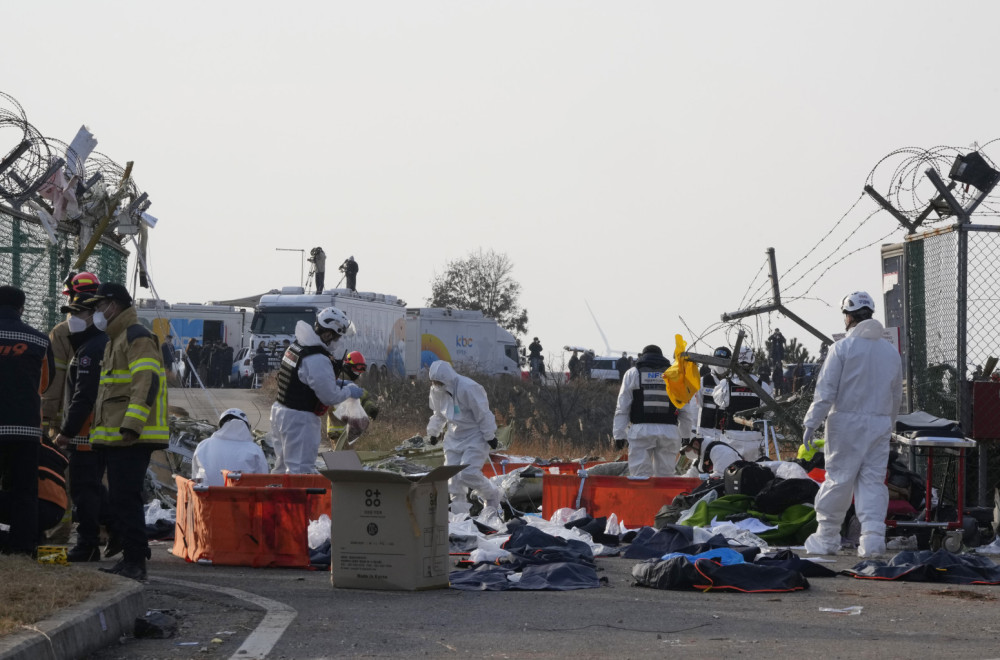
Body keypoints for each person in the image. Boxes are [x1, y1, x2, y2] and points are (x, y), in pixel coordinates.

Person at [802, 291, 902, 558]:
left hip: (845, 423)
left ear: (848, 316)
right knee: (872, 482)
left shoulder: (842, 349)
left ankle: (826, 538)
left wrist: (811, 422)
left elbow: (826, 392)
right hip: (879, 424)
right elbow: (895, 396)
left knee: (839, 479)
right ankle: (872, 540)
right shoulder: (890, 352)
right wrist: (888, 426)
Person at [84, 282, 169, 581]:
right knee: (121, 498)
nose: (96, 312)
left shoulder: (136, 336)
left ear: (115, 305)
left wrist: (132, 425)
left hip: (132, 437)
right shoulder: (115, 339)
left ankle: (135, 561)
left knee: (126, 497)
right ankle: (132, 558)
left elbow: (145, 383)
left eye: (99, 305)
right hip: (118, 437)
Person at [53, 296, 117, 562]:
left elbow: (84, 395)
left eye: (78, 313)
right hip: (92, 430)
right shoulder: (90, 345)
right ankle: (116, 526)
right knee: (92, 487)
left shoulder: (92, 349)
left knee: (84, 489)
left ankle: (88, 543)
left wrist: (66, 431)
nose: (73, 319)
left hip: (86, 432)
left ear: (93, 315)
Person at [270, 307, 363, 474]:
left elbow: (306, 379)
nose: (338, 341)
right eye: (337, 336)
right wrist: (349, 391)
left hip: (281, 410)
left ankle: (278, 498)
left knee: (282, 467)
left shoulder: (298, 346)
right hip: (299, 420)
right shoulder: (317, 359)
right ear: (327, 335)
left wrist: (340, 383)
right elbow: (329, 396)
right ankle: (297, 500)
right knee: (301, 470)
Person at [0, 285, 54, 556]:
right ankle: (22, 547)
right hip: (26, 429)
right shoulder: (39, 340)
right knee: (24, 490)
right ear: (22, 308)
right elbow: (45, 384)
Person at [426, 361, 501, 515]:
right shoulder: (436, 391)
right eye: (434, 382)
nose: (436, 385)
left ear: (447, 379)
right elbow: (438, 414)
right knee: (452, 480)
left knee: (468, 473)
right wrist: (433, 432)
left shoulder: (468, 388)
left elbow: (483, 413)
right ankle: (459, 517)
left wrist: (489, 435)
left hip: (475, 436)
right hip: (453, 437)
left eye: (438, 382)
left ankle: (492, 496)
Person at [612, 344, 696, 477]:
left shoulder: (633, 373)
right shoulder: (675, 376)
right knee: (665, 477)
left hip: (641, 431)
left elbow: (622, 407)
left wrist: (619, 435)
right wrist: (686, 435)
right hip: (669, 431)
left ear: (643, 356)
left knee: (640, 476)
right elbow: (685, 409)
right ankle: (664, 498)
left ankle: (642, 497)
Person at [41, 271, 100, 435]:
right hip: (102, 419)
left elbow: (55, 376)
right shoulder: (110, 328)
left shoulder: (62, 331)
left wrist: (47, 416)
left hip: (66, 418)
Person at [0, 437, 68, 550]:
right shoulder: (44, 444)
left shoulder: (13, 441)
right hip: (56, 511)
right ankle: (35, 542)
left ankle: (13, 544)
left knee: (21, 501)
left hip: (32, 506)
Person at [712, 345, 772, 461]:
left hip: (731, 437)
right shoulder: (763, 386)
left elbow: (719, 401)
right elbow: (770, 411)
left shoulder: (725, 384)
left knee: (729, 471)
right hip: (754, 438)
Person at [191, 409, 269, 486]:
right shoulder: (254, 449)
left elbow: (195, 476)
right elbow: (263, 480)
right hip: (242, 497)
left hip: (207, 496)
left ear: (221, 426)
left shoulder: (203, 445)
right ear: (247, 427)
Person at [695, 347, 731, 442]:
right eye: (717, 360)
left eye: (723, 361)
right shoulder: (703, 381)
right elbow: (698, 404)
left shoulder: (732, 382)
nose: (719, 364)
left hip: (725, 431)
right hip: (705, 429)